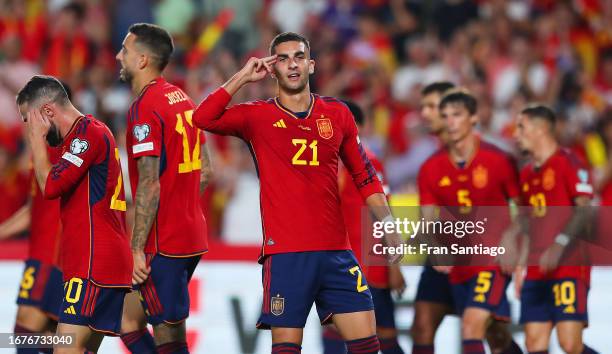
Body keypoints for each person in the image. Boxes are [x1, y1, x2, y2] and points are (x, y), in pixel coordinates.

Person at [192, 31, 400, 354]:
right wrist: (242, 77)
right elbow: (202, 117)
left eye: (299, 57)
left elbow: (365, 176)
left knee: (368, 348)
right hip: (287, 255)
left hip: (337, 254)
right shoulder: (256, 116)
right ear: (272, 69)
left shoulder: (338, 114)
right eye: (283, 59)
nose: (292, 64)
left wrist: (388, 227)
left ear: (311, 65)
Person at [17, 75, 132, 353]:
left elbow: (50, 187)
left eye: (27, 119)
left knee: (61, 347)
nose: (27, 127)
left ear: (46, 112)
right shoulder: (81, 137)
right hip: (94, 261)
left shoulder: (87, 134)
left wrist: (36, 141)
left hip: (93, 263)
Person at [116, 23, 212, 354]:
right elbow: (205, 170)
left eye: (125, 51)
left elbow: (148, 182)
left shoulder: (145, 107)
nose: (119, 56)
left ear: (142, 59)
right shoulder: (182, 98)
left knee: (165, 338)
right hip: (190, 233)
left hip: (164, 241)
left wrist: (136, 248)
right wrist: (181, 202)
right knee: (130, 319)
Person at [417, 89, 522, 354]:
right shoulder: (431, 167)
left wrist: (512, 240)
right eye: (445, 116)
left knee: (471, 326)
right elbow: (427, 219)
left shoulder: (499, 160)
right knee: (495, 335)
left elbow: (523, 208)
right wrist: (436, 247)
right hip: (458, 263)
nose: (450, 121)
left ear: (474, 118)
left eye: (457, 115)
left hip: (492, 260)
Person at [322, 100, 406, 354]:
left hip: (369, 267)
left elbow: (384, 215)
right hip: (340, 264)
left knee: (383, 337)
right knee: (337, 331)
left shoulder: (369, 162)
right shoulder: (328, 163)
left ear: (358, 127)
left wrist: (392, 267)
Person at [513, 104, 599, 354]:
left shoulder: (568, 162)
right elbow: (528, 223)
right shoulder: (527, 174)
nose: (516, 134)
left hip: (569, 263)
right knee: (534, 344)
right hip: (536, 267)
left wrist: (560, 243)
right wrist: (520, 264)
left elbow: (584, 209)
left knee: (569, 344)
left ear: (540, 130)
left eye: (522, 127)